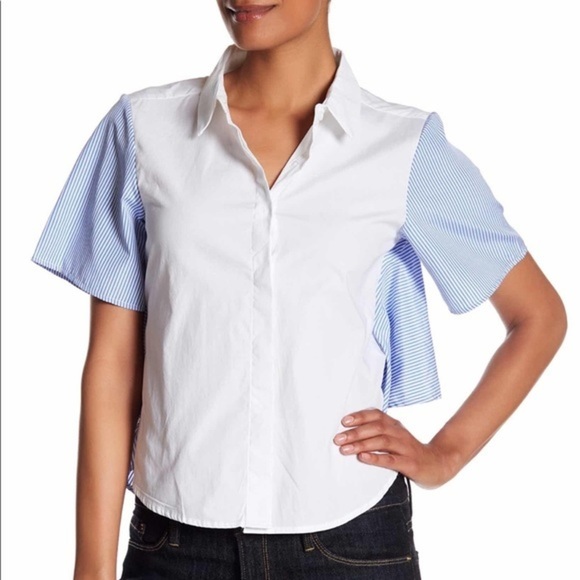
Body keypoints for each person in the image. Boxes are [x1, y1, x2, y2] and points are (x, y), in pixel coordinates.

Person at [30, 1, 567, 579]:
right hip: (176, 547)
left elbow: (538, 316)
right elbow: (112, 367)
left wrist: (445, 455)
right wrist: (91, 567)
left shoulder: (402, 147)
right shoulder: (144, 130)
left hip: (353, 543)